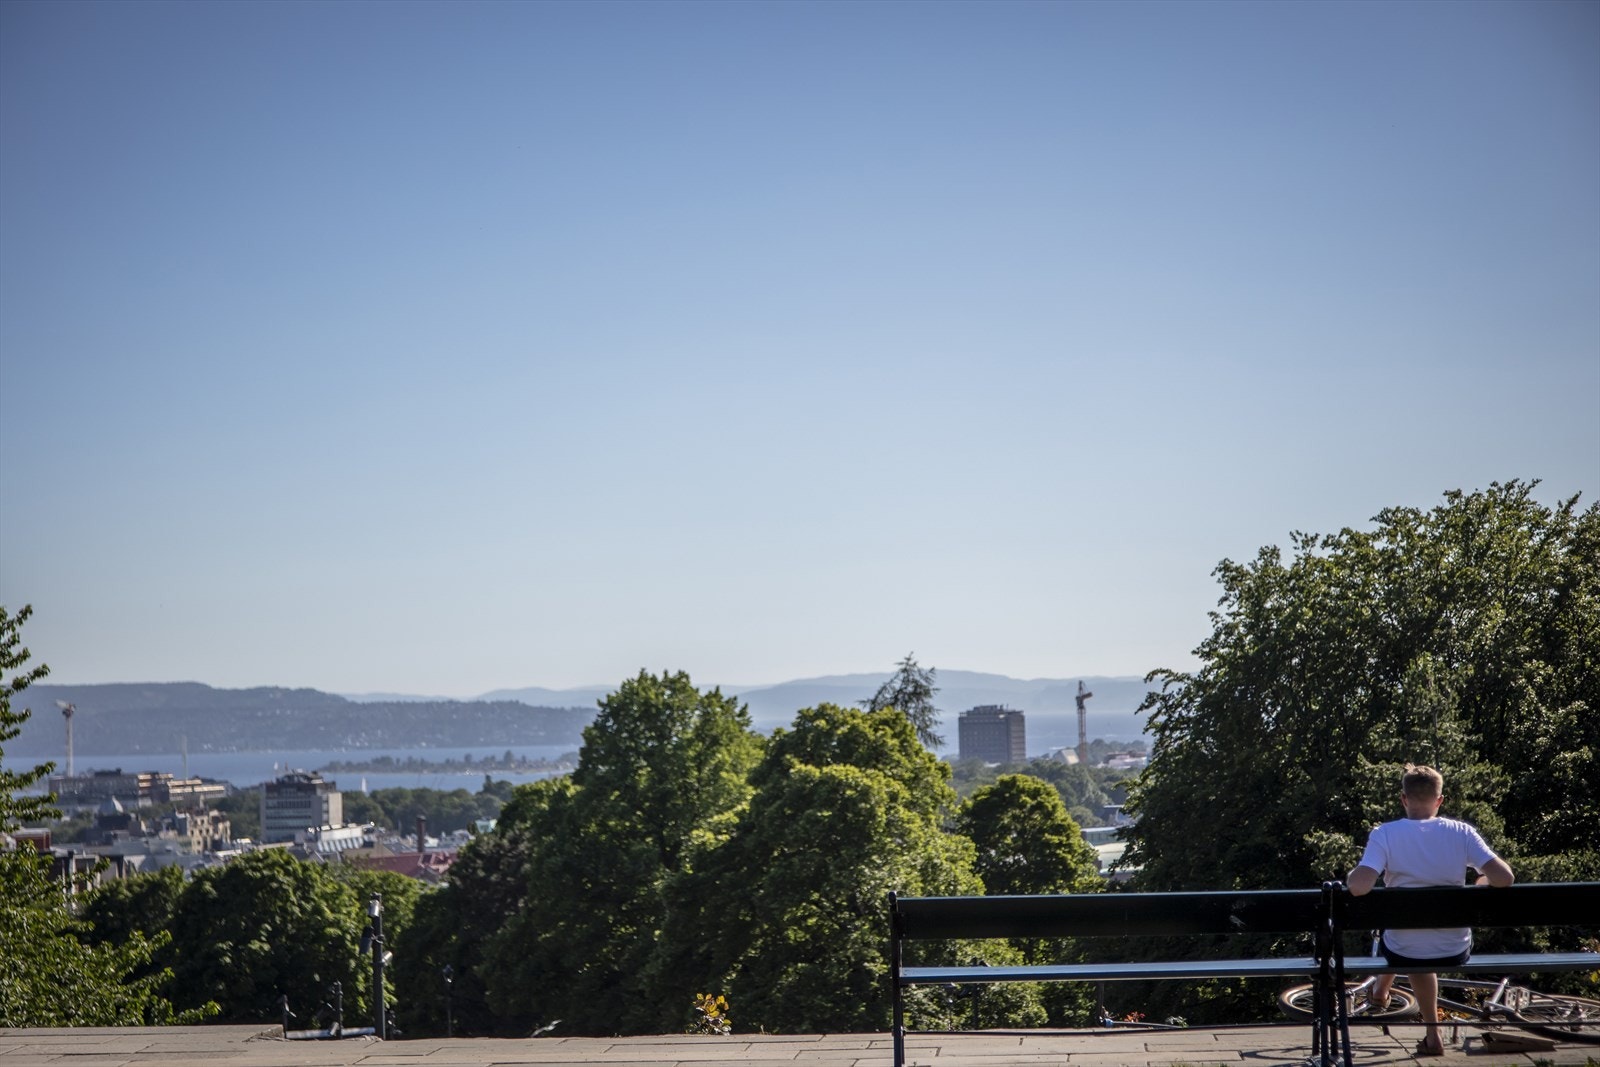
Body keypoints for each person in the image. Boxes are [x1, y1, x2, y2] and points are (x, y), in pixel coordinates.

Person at [1346, 763, 1514, 1057]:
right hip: (1454, 947)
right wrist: (1481, 883)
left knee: (1405, 944)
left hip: (1403, 947)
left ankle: (1425, 1027)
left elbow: (1359, 887)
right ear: (1440, 800)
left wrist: (1353, 874)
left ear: (1403, 798)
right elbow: (1504, 878)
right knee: (1414, 943)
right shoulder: (1462, 832)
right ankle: (1386, 996)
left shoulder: (1385, 834)